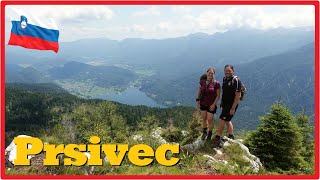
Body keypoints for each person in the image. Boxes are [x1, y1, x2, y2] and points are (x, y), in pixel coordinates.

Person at [213, 64, 241, 146]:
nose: (227, 72)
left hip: (231, 105)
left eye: (229, 70)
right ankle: (231, 135)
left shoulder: (236, 81)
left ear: (233, 71)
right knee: (227, 120)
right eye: (226, 71)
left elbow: (238, 95)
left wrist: (233, 108)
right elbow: (225, 92)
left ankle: (218, 137)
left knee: (222, 118)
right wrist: (222, 102)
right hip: (225, 104)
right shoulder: (225, 79)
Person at [197, 68, 220, 140]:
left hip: (211, 105)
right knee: (204, 118)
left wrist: (213, 105)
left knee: (210, 119)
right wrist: (198, 101)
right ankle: (204, 132)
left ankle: (210, 134)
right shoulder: (202, 82)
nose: (210, 74)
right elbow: (199, 91)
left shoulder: (216, 83)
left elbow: (218, 95)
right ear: (206, 73)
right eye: (209, 73)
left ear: (214, 74)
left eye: (212, 73)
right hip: (203, 103)